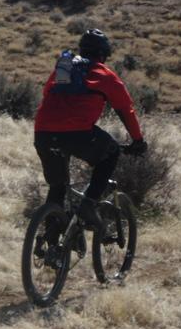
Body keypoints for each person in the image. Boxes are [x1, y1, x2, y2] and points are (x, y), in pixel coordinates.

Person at [34, 28, 146, 239]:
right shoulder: (105, 75)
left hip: (43, 132)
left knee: (57, 186)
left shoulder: (64, 68)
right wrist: (138, 140)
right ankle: (89, 204)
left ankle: (51, 244)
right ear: (104, 54)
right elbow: (125, 110)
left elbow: (46, 93)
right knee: (110, 153)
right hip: (78, 133)